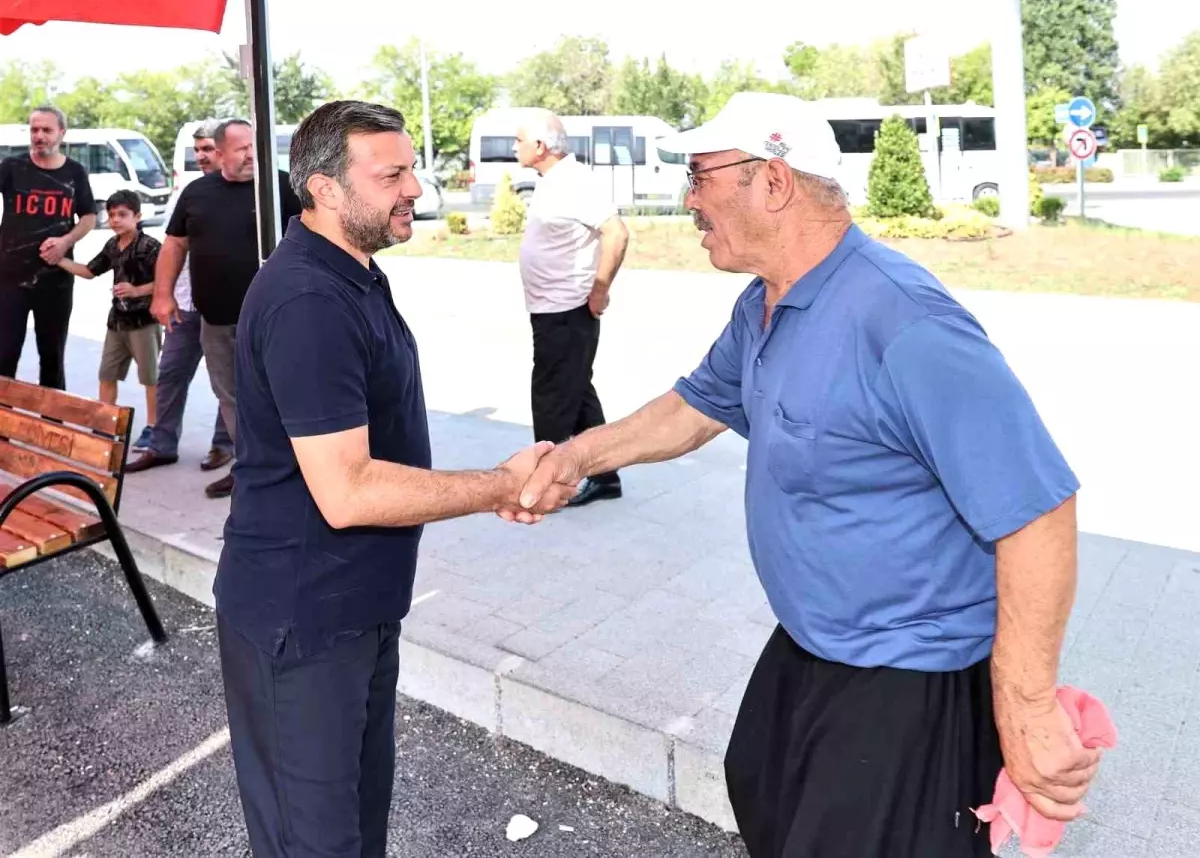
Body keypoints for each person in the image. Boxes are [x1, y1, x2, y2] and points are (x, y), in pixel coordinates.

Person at [512, 92, 1103, 858]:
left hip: (907, 675)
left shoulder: (906, 322)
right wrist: (576, 456)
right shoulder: (766, 303)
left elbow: (1037, 511)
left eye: (700, 177)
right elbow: (695, 406)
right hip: (815, 645)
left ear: (774, 181)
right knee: (757, 780)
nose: (689, 200)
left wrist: (1024, 708)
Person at [214, 99, 573, 858]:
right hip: (301, 623)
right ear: (324, 189)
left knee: (354, 830)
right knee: (313, 843)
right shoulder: (309, 298)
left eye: (411, 168)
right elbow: (346, 491)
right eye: (393, 174)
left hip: (357, 609)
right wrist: (500, 485)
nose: (415, 187)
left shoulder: (354, 272)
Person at [151, 118, 303, 498]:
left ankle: (295, 471)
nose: (251, 154)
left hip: (276, 318)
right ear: (219, 153)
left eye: (255, 146)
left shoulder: (282, 187)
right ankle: (250, 469)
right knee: (232, 398)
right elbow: (174, 245)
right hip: (217, 319)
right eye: (241, 148)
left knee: (284, 394)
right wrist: (162, 294)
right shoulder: (197, 192)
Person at [514, 109, 629, 507]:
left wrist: (600, 288)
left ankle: (545, 485)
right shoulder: (552, 180)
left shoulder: (575, 181)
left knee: (553, 397)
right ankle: (605, 476)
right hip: (551, 309)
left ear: (540, 146)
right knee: (575, 392)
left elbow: (616, 231)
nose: (514, 147)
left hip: (567, 310)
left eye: (519, 140)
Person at [128, 120, 234, 472]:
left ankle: (224, 445)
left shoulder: (248, 192)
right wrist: (163, 294)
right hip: (185, 304)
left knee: (227, 383)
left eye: (208, 149)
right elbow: (171, 247)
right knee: (171, 373)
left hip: (226, 307)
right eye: (198, 150)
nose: (203, 156)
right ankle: (161, 444)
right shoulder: (188, 191)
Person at [46, 190, 161, 431]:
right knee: (107, 374)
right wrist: (59, 260)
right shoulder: (112, 245)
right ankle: (104, 423)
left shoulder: (150, 246)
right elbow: (89, 271)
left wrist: (136, 291)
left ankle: (154, 427)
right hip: (117, 323)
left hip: (144, 322)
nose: (115, 220)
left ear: (137, 216)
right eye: (111, 215)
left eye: (122, 214)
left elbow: (167, 280)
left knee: (151, 379)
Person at [0, 105, 97, 389]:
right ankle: (4, 427)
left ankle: (53, 429)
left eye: (46, 130)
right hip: (9, 279)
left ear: (61, 133)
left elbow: (89, 217)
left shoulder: (75, 172)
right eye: (34, 130)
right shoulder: (12, 168)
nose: (39, 136)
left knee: (52, 358)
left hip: (55, 280)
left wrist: (66, 241)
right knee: (4, 356)